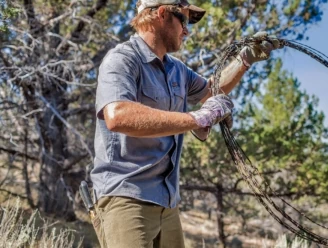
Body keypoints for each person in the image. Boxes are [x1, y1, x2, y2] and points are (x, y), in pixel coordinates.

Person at [90, 0, 283, 247]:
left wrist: (245, 59)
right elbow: (118, 116)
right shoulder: (122, 60)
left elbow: (212, 90)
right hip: (125, 197)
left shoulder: (177, 70)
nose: (187, 30)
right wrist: (198, 118)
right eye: (184, 19)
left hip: (167, 201)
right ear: (161, 13)